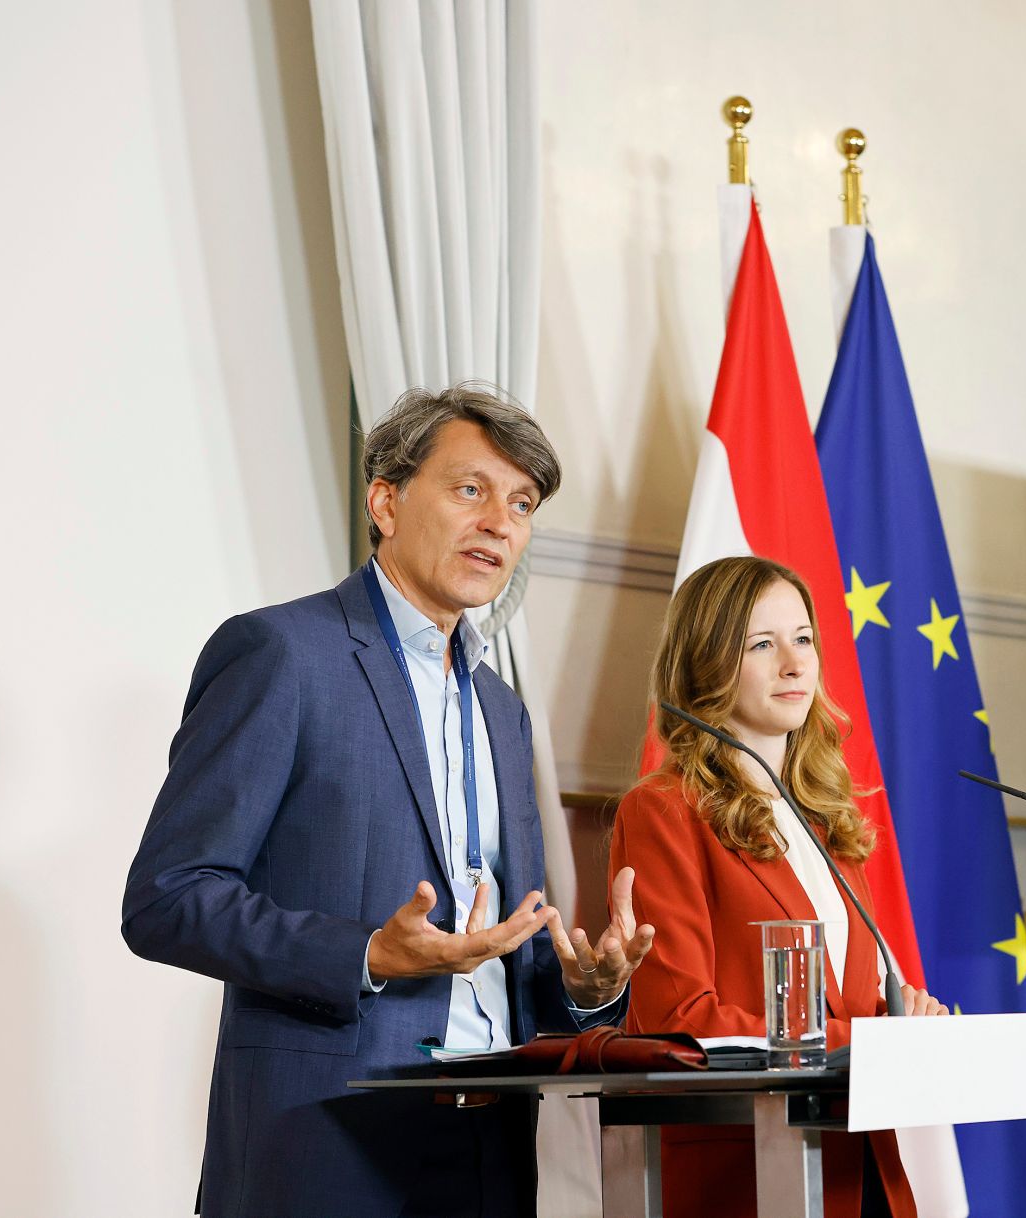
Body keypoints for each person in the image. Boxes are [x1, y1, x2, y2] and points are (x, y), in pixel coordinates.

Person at [122, 383, 655, 1218]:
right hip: (328, 1143)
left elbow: (505, 953)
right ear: (386, 501)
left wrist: (586, 989)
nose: (499, 523)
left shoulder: (504, 712)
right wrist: (366, 955)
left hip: (494, 1149)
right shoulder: (282, 654)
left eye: (521, 504)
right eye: (470, 489)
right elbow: (167, 898)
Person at [611, 555, 949, 1218]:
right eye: (762, 645)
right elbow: (680, 1024)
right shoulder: (664, 812)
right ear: (706, 662)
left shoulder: (828, 820)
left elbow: (841, 1005)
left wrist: (904, 1020)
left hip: (863, 1168)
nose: (795, 664)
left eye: (803, 639)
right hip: (748, 1174)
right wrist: (872, 1043)